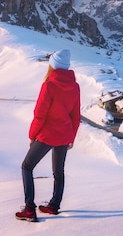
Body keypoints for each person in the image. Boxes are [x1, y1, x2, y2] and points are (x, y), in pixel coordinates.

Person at [15, 49, 81, 222]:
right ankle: (54, 206)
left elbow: (40, 114)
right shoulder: (75, 86)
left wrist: (32, 135)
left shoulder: (49, 85)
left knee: (26, 167)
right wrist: (71, 138)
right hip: (64, 134)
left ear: (52, 65)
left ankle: (30, 209)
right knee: (58, 171)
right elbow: (75, 116)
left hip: (47, 135)